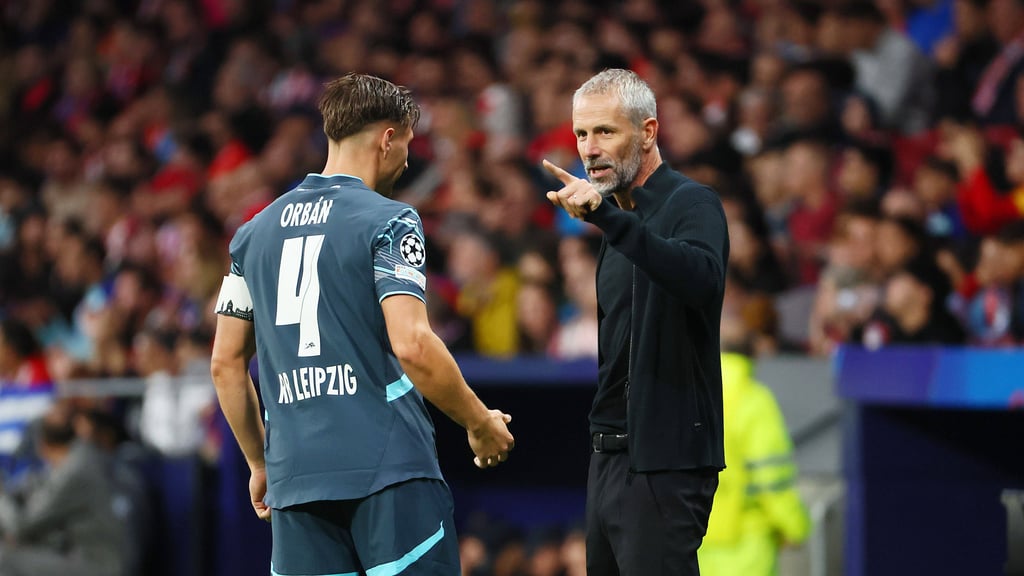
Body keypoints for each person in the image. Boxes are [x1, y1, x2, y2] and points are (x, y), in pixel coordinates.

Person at [210, 73, 515, 576]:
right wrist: (480, 424)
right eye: (409, 145)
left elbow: (225, 364)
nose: (408, 160)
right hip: (388, 468)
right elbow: (414, 344)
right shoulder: (389, 221)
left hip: (296, 480)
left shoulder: (252, 235)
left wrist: (260, 464)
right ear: (388, 137)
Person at [543, 68, 729, 576]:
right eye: (581, 134)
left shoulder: (691, 203)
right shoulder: (616, 225)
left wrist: (610, 218)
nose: (589, 148)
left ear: (648, 132)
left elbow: (701, 281)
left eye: (605, 131)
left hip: (665, 463)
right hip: (608, 460)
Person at [698, 316, 811, 576]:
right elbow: (772, 480)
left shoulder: (686, 397)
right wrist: (796, 527)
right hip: (748, 548)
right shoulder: (753, 400)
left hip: (694, 544)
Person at [0, 403, 124, 576]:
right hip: (97, 556)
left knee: (6, 560)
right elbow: (34, 487)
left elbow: (22, 527)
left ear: (42, 446)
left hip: (102, 566)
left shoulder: (75, 469)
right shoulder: (86, 455)